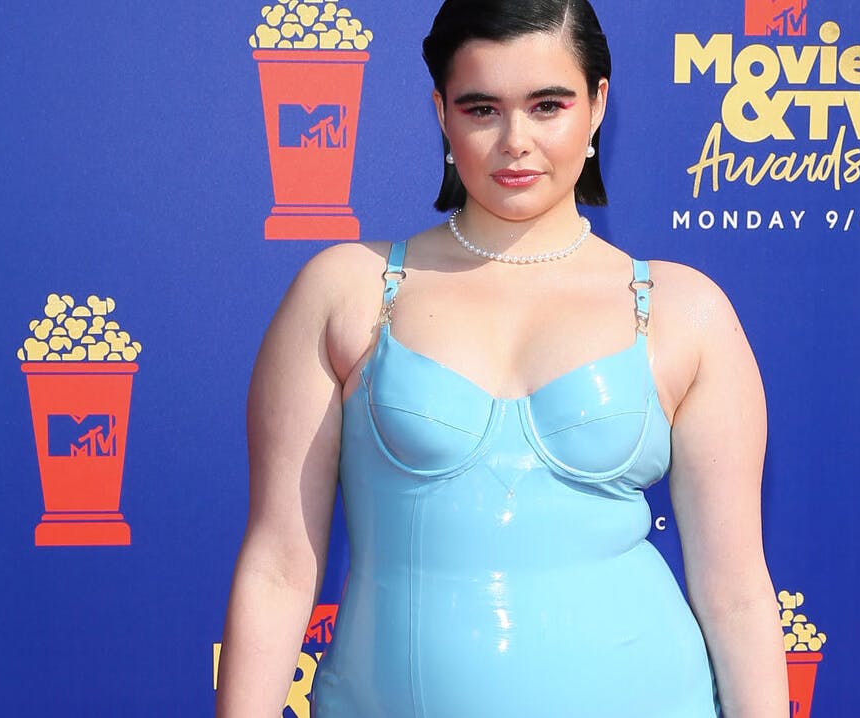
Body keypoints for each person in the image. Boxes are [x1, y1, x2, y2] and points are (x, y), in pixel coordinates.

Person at [217, 0, 788, 715]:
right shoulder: (346, 291)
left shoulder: (684, 309)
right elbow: (277, 567)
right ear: (442, 115)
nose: (516, 140)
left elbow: (734, 590)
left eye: (548, 105)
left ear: (597, 104)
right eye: (482, 108)